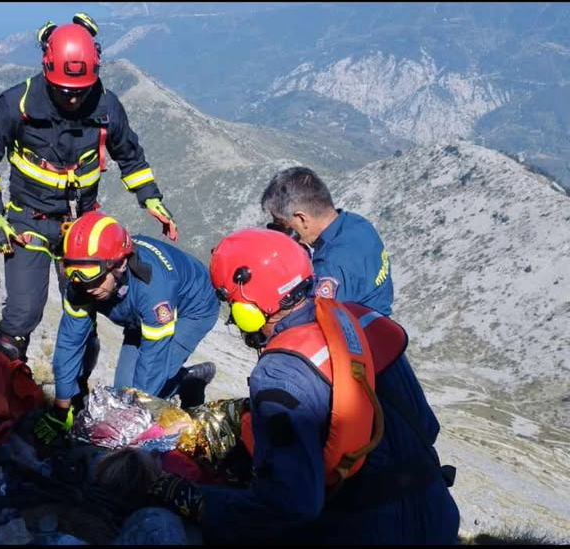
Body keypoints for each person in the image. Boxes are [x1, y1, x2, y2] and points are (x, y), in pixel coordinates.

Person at [147, 227, 459, 544]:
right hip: (437, 514)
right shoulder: (360, 320)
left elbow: (289, 504)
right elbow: (425, 426)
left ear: (247, 310)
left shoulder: (278, 374)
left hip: (366, 529)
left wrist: (191, 497)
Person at [0, 13, 178, 363]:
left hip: (82, 227)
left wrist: (150, 197)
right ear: (47, 69)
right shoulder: (16, 104)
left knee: (81, 318)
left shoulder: (106, 105)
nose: (73, 100)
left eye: (80, 92)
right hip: (27, 222)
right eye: (65, 91)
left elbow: (129, 155)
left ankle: (72, 405)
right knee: (23, 314)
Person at [33, 211, 219, 445]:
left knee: (147, 398)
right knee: (124, 392)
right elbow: (70, 342)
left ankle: (188, 381)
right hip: (137, 313)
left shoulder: (154, 289)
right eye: (77, 276)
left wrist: (134, 420)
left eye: (95, 278)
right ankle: (172, 384)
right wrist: (61, 408)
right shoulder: (82, 286)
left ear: (120, 264)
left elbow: (152, 360)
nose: (88, 288)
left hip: (191, 309)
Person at [261, 166, 394, 315]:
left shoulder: (330, 267)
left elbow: (307, 322)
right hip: (377, 322)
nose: (283, 233)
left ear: (301, 219)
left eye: (281, 224)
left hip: (360, 334)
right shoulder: (356, 223)